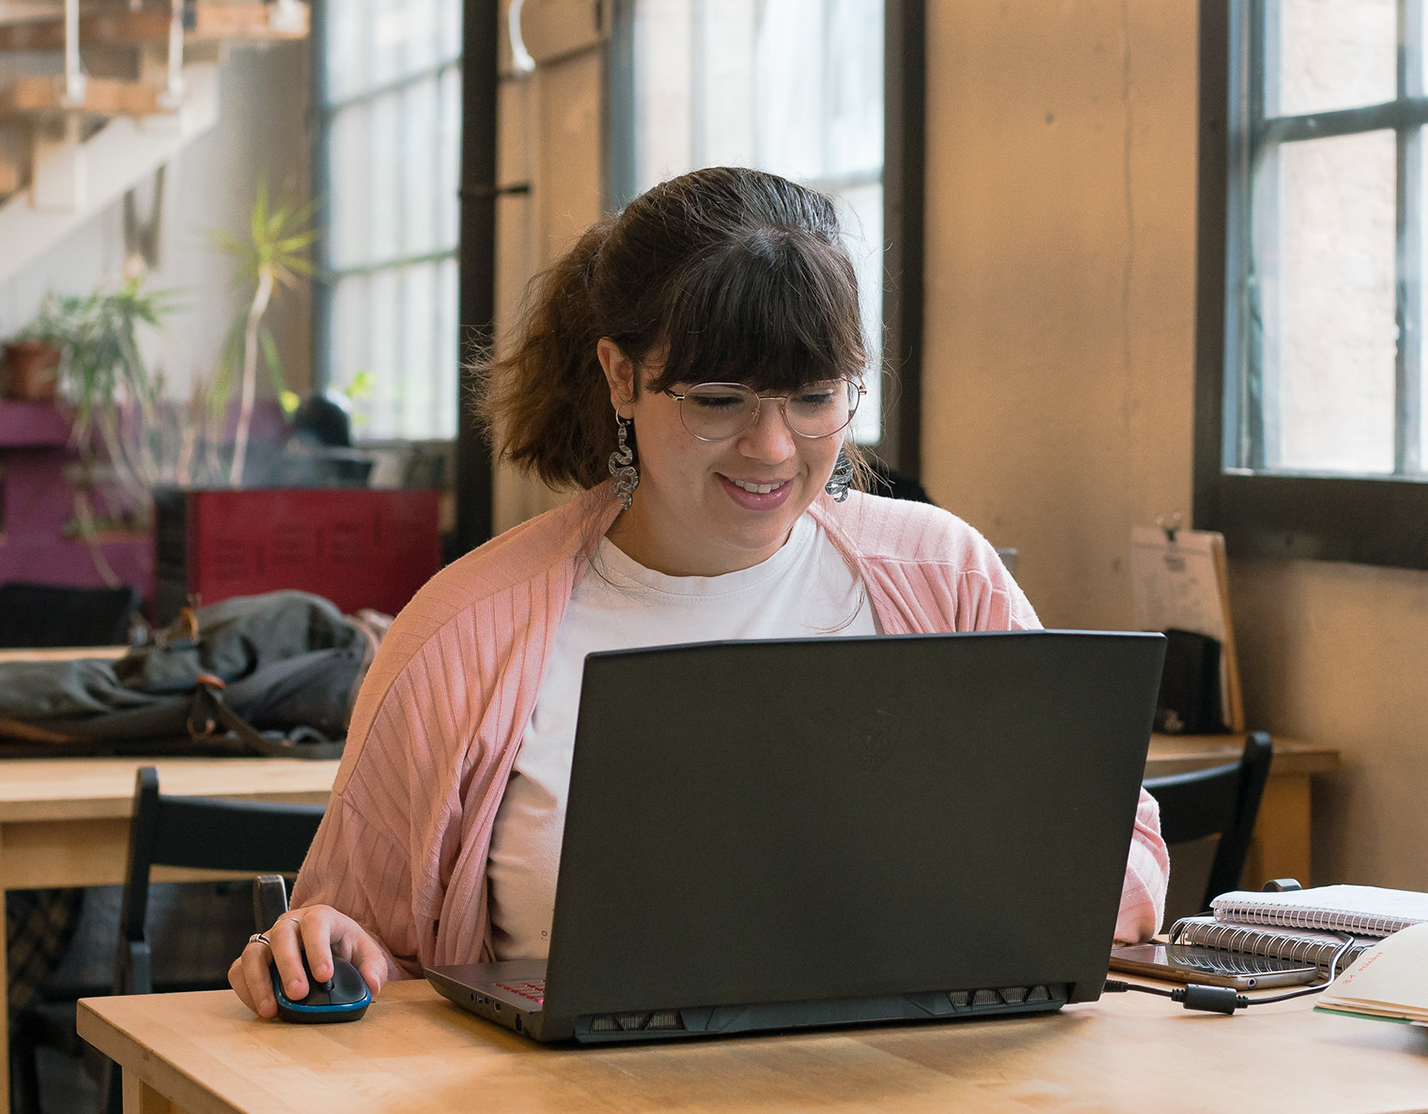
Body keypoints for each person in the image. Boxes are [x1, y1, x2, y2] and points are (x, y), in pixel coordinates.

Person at [228, 166, 1170, 1017]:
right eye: (719, 401)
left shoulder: (944, 577)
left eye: (812, 399)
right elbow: (357, 939)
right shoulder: (466, 633)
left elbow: (1119, 861)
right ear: (621, 376)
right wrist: (322, 945)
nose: (771, 449)